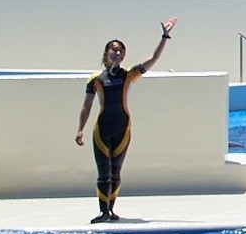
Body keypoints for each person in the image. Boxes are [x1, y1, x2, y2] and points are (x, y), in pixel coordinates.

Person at [75, 18, 177, 223]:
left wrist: (165, 36)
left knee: (116, 172)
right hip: (102, 130)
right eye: (114, 50)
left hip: (123, 129)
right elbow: (87, 105)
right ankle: (102, 211)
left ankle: (111, 210)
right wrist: (80, 129)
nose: (118, 53)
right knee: (103, 173)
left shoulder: (128, 74)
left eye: (121, 51)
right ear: (106, 53)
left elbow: (153, 59)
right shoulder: (96, 79)